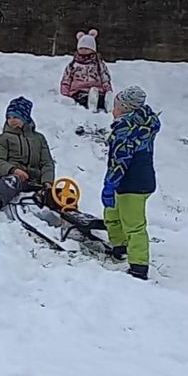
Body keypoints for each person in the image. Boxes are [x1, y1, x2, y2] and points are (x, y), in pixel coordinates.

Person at [101, 86, 161, 281]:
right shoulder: (144, 124)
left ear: (125, 109)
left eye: (116, 107)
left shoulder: (126, 131)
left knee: (134, 225)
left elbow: (120, 162)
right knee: (113, 213)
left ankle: (139, 266)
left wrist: (109, 185)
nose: (112, 110)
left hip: (132, 184)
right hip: (140, 179)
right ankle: (120, 246)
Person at [0, 97, 56, 215]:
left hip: (37, 182)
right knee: (10, 181)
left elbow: (47, 163)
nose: (12, 120)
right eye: (9, 117)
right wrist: (14, 170)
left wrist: (47, 182)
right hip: (17, 179)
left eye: (15, 117)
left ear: (25, 118)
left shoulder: (39, 139)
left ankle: (70, 216)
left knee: (59, 192)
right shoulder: (4, 138)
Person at [60, 29, 114, 112]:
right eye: (81, 48)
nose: (83, 50)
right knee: (83, 98)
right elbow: (66, 79)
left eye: (86, 48)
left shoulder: (98, 64)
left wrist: (108, 89)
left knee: (100, 97)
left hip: (97, 90)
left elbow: (105, 78)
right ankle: (92, 104)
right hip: (79, 91)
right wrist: (65, 94)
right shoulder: (73, 65)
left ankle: (107, 103)